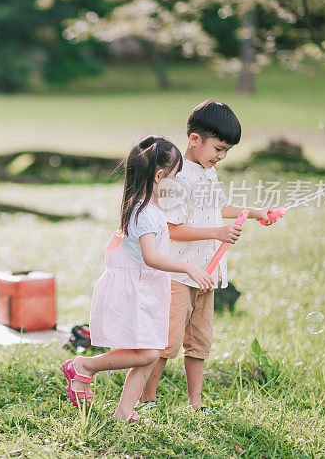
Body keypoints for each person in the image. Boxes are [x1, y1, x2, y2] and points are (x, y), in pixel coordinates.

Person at [61, 136, 214, 422]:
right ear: (159, 176)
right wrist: (187, 268)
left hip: (148, 289)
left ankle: (124, 412)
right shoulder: (144, 212)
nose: (179, 183)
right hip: (136, 291)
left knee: (149, 351)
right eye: (176, 176)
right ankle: (85, 365)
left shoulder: (150, 208)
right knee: (147, 353)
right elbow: (150, 257)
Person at [138, 100, 274, 412]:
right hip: (177, 275)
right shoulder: (175, 177)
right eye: (219, 148)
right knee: (166, 344)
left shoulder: (207, 173)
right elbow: (173, 229)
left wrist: (252, 212)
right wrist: (217, 233)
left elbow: (218, 208)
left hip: (205, 273)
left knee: (199, 342)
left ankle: (195, 403)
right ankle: (147, 400)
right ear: (195, 140)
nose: (222, 156)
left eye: (227, 151)